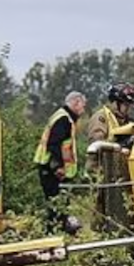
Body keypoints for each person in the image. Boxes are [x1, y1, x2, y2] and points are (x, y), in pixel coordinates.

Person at [87, 82, 134, 233]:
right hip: (101, 173)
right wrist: (119, 144)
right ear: (116, 103)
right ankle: (99, 243)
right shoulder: (101, 118)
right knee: (101, 211)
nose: (129, 109)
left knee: (124, 211)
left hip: (120, 173)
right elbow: (96, 142)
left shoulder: (127, 121)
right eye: (126, 105)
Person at [33, 91, 86, 231]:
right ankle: (52, 234)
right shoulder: (63, 119)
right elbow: (53, 144)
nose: (83, 109)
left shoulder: (64, 117)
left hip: (51, 169)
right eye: (82, 105)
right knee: (56, 205)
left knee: (60, 205)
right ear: (75, 103)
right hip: (51, 170)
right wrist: (58, 166)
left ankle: (58, 231)